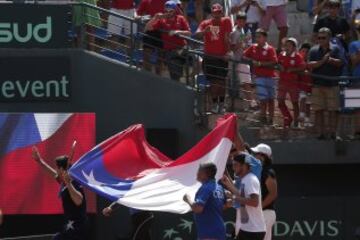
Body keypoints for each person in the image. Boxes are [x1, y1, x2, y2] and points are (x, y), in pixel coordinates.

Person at [32, 143, 88, 240]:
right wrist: (39, 161)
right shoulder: (64, 180)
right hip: (69, 226)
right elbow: (53, 173)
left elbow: (79, 200)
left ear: (61, 169)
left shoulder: (74, 182)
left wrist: (69, 184)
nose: (55, 170)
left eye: (56, 167)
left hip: (77, 228)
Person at [196, 3, 232, 113]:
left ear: (222, 12)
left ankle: (221, 104)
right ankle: (215, 104)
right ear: (211, 13)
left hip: (221, 58)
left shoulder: (226, 21)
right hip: (209, 58)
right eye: (214, 12)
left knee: (221, 83)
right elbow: (197, 34)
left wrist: (228, 52)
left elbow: (227, 38)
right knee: (214, 83)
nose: (216, 15)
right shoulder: (205, 23)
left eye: (219, 12)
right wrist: (204, 32)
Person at [308, 27, 343, 139]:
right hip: (318, 84)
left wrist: (331, 60)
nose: (321, 40)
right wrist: (323, 61)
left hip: (332, 84)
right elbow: (310, 64)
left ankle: (333, 133)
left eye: (323, 37)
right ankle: (321, 133)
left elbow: (341, 62)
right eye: (319, 37)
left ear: (329, 38)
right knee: (319, 110)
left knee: (334, 110)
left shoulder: (336, 49)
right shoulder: (313, 50)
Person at [221, 154, 266, 240]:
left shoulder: (250, 179)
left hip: (253, 231)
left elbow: (254, 202)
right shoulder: (245, 179)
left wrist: (233, 197)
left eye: (236, 165)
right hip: (248, 229)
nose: (233, 168)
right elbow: (241, 195)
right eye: (233, 165)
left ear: (245, 166)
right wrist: (228, 184)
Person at [145, 0, 191, 81]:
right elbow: (148, 28)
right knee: (175, 76)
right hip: (171, 51)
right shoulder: (161, 20)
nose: (168, 12)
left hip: (183, 48)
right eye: (167, 10)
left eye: (171, 10)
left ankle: (191, 78)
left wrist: (177, 32)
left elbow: (189, 33)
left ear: (175, 10)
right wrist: (155, 18)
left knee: (198, 61)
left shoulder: (181, 18)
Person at [183, 163, 228, 240]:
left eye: (199, 171)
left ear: (206, 174)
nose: (197, 173)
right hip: (217, 232)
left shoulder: (206, 188)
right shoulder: (219, 187)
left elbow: (198, 209)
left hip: (209, 234)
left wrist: (188, 199)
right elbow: (224, 206)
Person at [243, 28, 278, 125]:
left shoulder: (270, 49)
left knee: (271, 99)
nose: (257, 39)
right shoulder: (253, 47)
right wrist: (251, 61)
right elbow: (244, 55)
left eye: (259, 37)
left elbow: (274, 61)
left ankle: (271, 118)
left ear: (265, 38)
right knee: (263, 98)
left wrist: (260, 63)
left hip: (270, 77)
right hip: (259, 77)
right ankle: (263, 117)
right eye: (256, 37)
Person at [250, 143, 277, 240]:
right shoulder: (260, 170)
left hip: (266, 213)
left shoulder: (268, 172)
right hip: (262, 213)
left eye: (256, 153)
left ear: (263, 156)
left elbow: (273, 194)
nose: (253, 156)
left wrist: (259, 207)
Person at [277, 37, 306, 128]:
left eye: (289, 45)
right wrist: (279, 66)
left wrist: (292, 69)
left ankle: (296, 123)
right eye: (286, 45)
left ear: (294, 47)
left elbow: (303, 67)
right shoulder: (282, 54)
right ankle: (288, 118)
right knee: (280, 101)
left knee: (294, 103)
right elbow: (278, 63)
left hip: (293, 83)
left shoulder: (297, 56)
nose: (287, 47)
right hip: (282, 81)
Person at [230, 12, 256, 111]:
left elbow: (249, 46)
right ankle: (248, 103)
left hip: (244, 59)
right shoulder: (233, 31)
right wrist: (242, 41)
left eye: (243, 20)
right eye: (239, 20)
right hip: (235, 60)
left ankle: (251, 103)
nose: (241, 22)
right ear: (236, 20)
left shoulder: (247, 30)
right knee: (241, 82)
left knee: (246, 82)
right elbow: (232, 48)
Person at [137, 0, 167, 74]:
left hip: (163, 32)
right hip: (150, 31)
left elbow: (176, 15)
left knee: (160, 57)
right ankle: (148, 75)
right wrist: (142, 18)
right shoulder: (146, 1)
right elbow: (138, 14)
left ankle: (158, 78)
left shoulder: (169, 2)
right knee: (146, 54)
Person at [298, 42, 313, 128]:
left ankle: (307, 120)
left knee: (308, 103)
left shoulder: (311, 62)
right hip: (301, 86)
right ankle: (301, 117)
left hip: (309, 86)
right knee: (302, 100)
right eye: (303, 51)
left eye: (307, 52)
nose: (305, 53)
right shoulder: (298, 61)